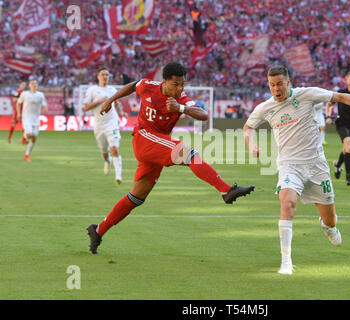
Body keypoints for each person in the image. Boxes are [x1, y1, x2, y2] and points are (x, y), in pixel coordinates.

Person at [87, 62, 254, 254]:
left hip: (155, 146)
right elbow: (132, 86)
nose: (180, 88)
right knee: (189, 154)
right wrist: (110, 100)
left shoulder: (182, 99)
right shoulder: (148, 86)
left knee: (136, 198)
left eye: (182, 84)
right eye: (176, 84)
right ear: (164, 81)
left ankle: (98, 231)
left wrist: (181, 109)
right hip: (144, 137)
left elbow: (203, 114)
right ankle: (226, 190)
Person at [243, 65, 350, 275]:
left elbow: (340, 97)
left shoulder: (306, 94)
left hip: (316, 166)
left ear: (289, 82)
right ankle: (286, 261)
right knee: (287, 204)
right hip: (290, 166)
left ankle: (328, 227)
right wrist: (251, 144)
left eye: (279, 84)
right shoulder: (266, 107)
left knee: (330, 218)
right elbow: (248, 127)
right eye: (272, 85)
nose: (276, 89)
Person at [83, 67, 128, 185]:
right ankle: (107, 161)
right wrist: (99, 101)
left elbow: (117, 104)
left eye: (107, 75)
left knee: (115, 148)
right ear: (98, 76)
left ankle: (118, 176)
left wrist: (122, 113)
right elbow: (86, 107)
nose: (105, 77)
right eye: (103, 74)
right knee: (104, 151)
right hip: (99, 125)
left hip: (112, 123)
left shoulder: (113, 90)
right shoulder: (92, 90)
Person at [16, 79, 48, 162]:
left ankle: (27, 155)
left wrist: (45, 109)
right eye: (32, 83)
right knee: (29, 134)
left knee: (34, 138)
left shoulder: (40, 95)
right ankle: (25, 136)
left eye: (35, 83)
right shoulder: (25, 94)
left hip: (36, 118)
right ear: (29, 85)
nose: (34, 84)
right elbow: (18, 103)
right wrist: (19, 114)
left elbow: (44, 105)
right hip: (26, 117)